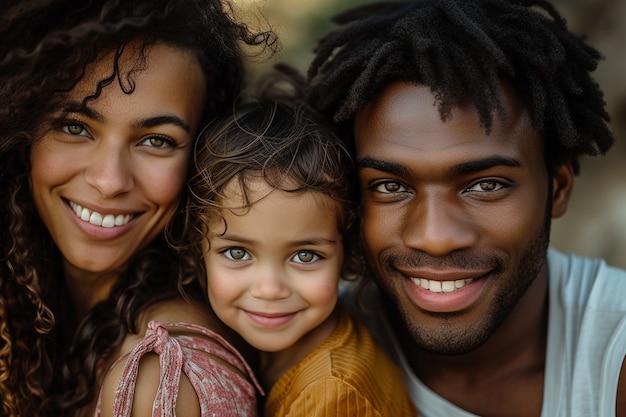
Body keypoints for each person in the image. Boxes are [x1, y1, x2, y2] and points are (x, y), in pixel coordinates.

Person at [306, 0, 626, 416]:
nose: (435, 238)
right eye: (389, 186)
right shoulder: (297, 343)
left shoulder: (612, 353)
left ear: (558, 189)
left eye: (486, 185)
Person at [0, 1, 275, 416]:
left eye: (157, 140)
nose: (110, 181)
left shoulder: (165, 376)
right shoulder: (20, 306)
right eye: (75, 127)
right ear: (23, 133)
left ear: (201, 161)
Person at [184, 75, 419, 416]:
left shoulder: (335, 394)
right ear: (196, 248)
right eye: (238, 253)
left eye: (305, 256)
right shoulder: (258, 349)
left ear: (348, 251)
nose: (269, 289)